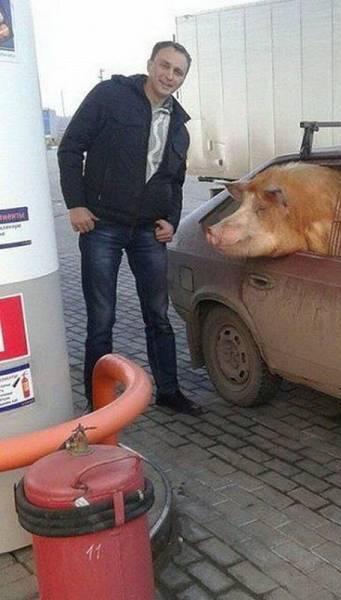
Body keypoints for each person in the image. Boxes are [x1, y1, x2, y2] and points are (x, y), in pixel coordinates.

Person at [58, 41, 201, 415]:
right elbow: (70, 148)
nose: (169, 76)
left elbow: (175, 181)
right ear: (150, 64)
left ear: (183, 79)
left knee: (158, 315)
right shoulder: (111, 96)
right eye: (164, 66)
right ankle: (98, 404)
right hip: (101, 225)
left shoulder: (179, 126)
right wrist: (76, 204)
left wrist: (171, 219)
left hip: (148, 232)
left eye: (178, 72)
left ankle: (168, 392)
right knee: (102, 318)